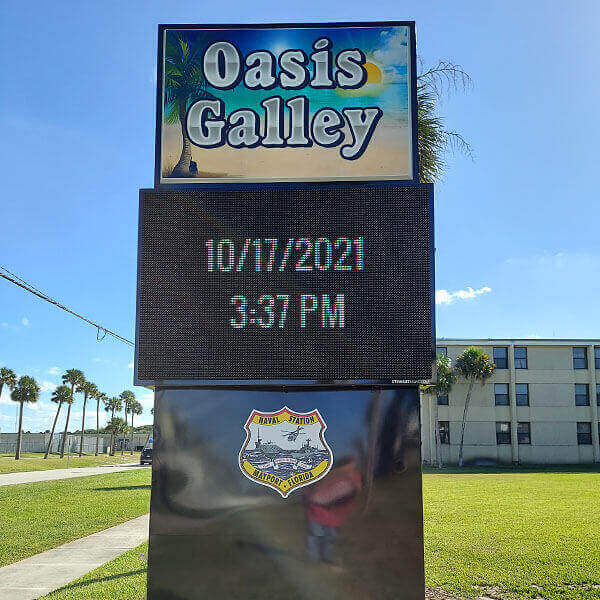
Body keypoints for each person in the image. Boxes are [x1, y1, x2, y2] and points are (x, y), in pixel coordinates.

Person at [302, 457, 362, 566]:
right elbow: (309, 489)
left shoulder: (354, 477)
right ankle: (313, 560)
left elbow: (353, 492)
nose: (352, 467)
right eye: (350, 464)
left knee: (329, 536)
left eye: (353, 465)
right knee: (315, 534)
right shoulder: (326, 474)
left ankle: (325, 558)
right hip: (316, 510)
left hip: (333, 513)